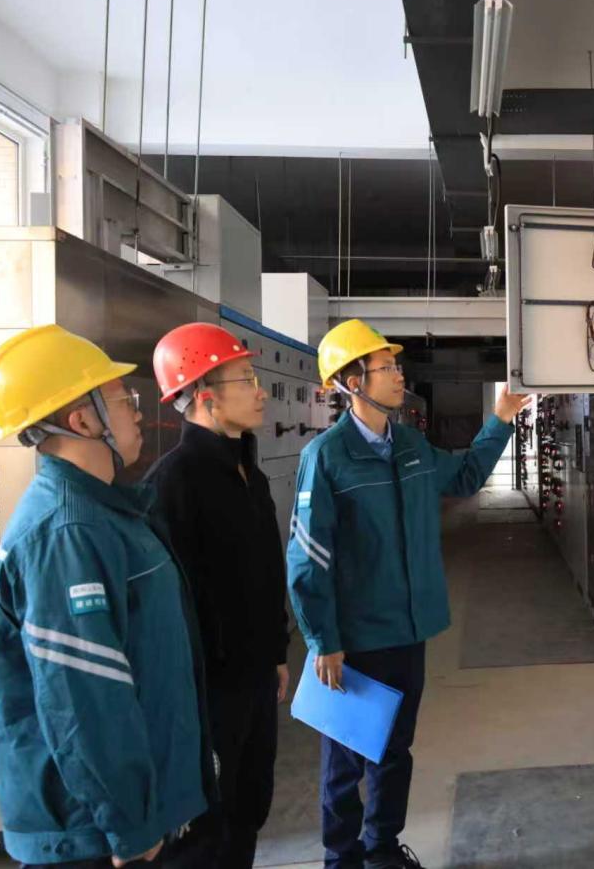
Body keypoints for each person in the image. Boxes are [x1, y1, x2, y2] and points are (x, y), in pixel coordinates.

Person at [287, 319, 532, 869]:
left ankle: (380, 849)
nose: (399, 376)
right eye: (386, 368)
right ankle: (341, 857)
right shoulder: (326, 457)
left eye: (396, 366)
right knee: (347, 759)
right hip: (355, 637)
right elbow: (308, 558)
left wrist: (500, 419)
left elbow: (464, 477)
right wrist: (323, 639)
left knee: (395, 750)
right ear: (353, 382)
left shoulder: (411, 446)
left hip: (408, 629)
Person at [0, 324, 215, 868]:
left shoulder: (105, 513)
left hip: (130, 814)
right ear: (82, 421)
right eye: (123, 399)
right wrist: (129, 821)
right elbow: (83, 697)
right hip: (94, 834)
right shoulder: (67, 533)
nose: (138, 412)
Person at [143, 322, 291, 869]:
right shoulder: (172, 484)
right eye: (246, 379)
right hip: (207, 692)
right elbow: (168, 609)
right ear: (205, 395)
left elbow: (264, 571)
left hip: (255, 678)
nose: (261, 391)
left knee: (249, 806)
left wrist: (276, 651)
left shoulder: (250, 474)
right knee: (207, 827)